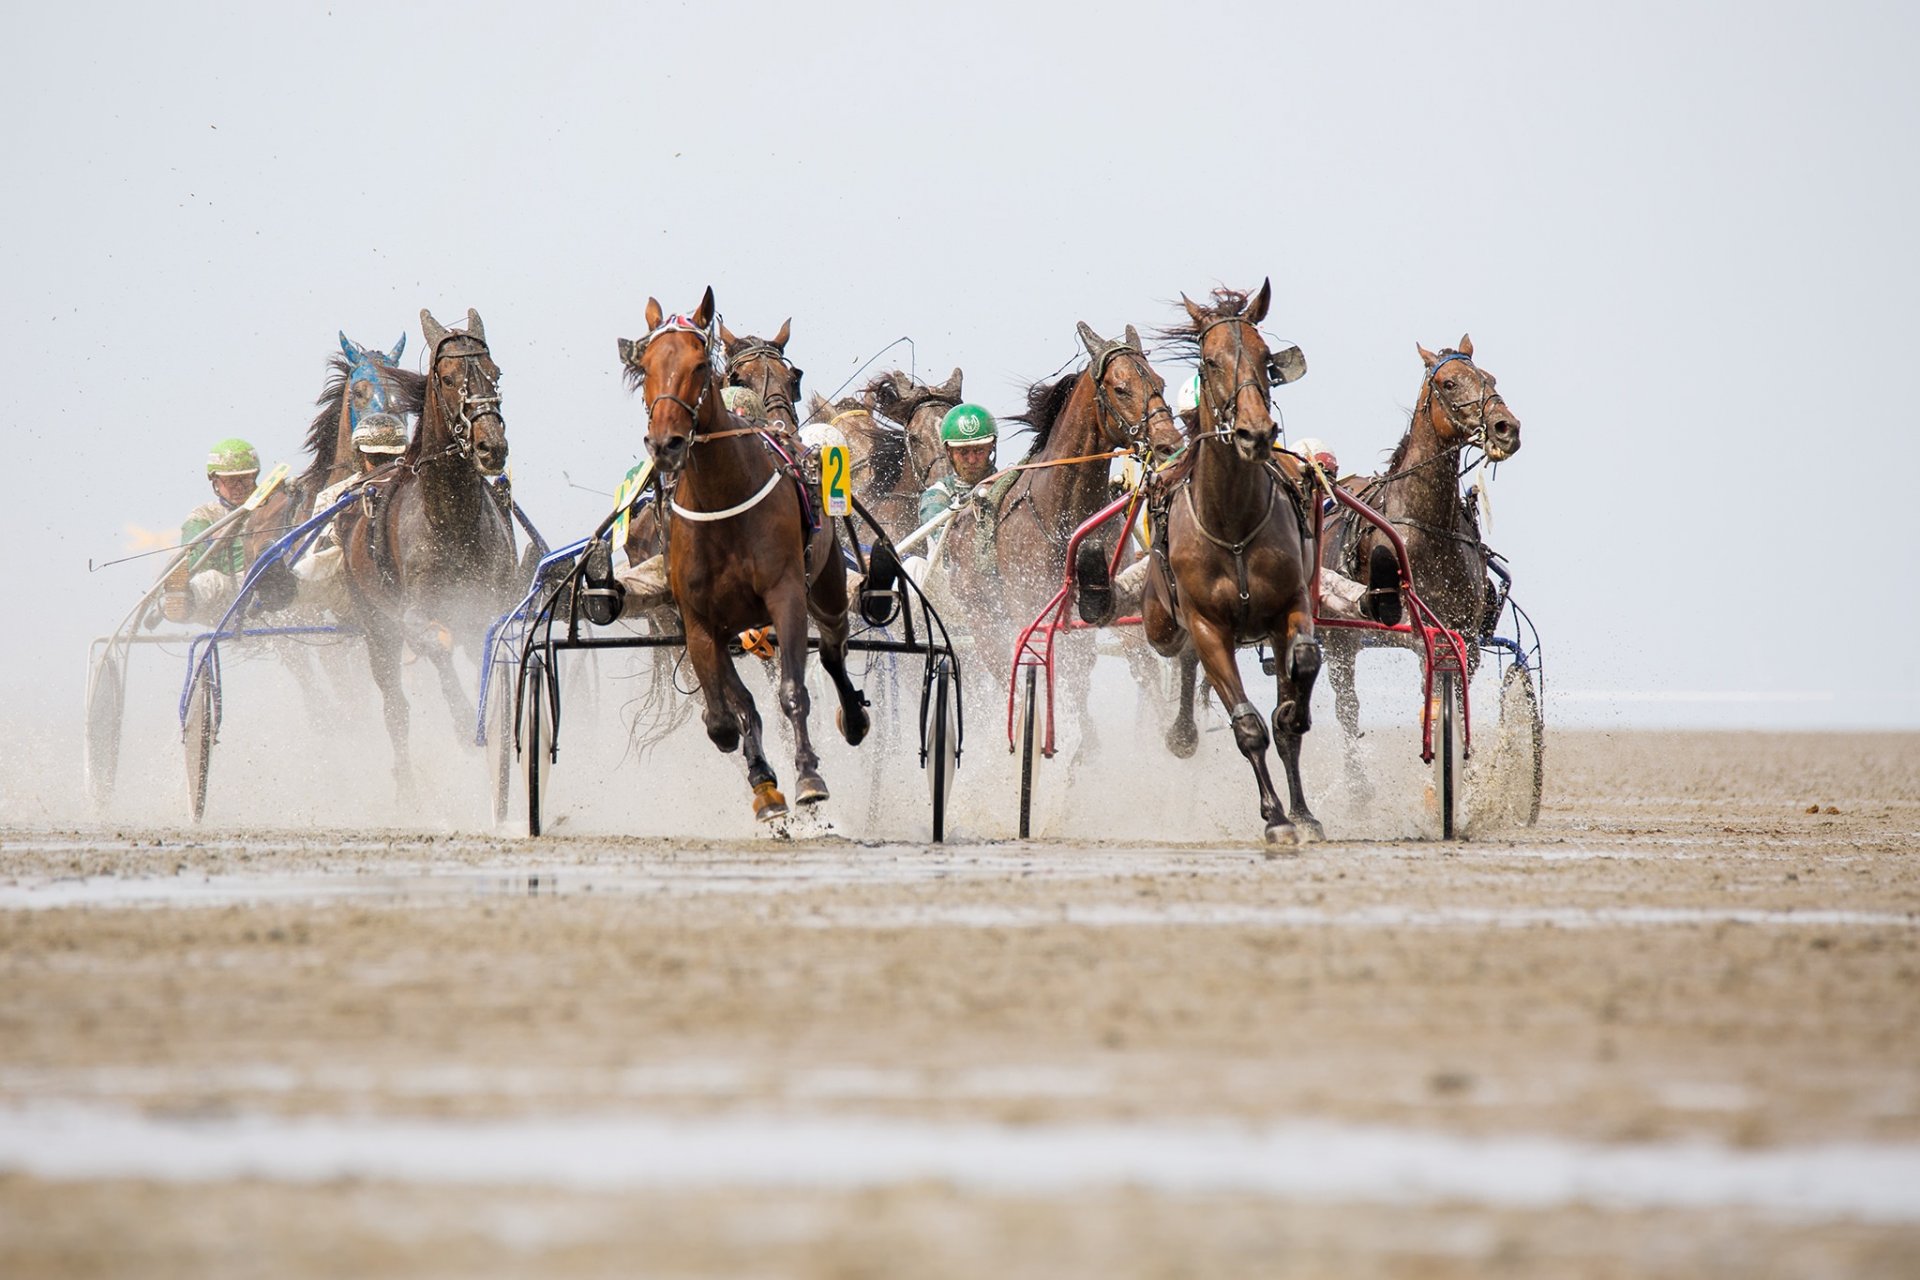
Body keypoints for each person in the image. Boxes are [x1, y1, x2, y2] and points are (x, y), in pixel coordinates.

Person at [290, 413, 409, 611]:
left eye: (391, 458)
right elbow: (319, 553)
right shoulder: (334, 495)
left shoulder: (415, 488)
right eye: (376, 458)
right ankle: (287, 590)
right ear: (359, 456)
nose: (385, 465)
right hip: (347, 589)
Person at [163, 438, 262, 624]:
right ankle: (180, 602)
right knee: (211, 580)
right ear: (215, 482)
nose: (239, 487)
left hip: (266, 587)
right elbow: (189, 560)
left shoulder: (271, 506)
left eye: (245, 480)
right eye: (231, 481)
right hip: (225, 600)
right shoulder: (204, 516)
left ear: (255, 477)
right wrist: (212, 542)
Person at [917, 402, 999, 531]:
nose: (972, 460)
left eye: (979, 450)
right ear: (949, 452)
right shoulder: (936, 495)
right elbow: (947, 541)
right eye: (963, 452)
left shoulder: (1010, 485)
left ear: (991, 447)